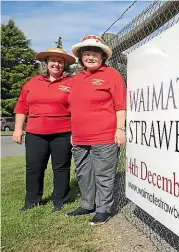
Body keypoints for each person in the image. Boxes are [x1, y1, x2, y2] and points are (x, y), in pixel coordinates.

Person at [67, 35, 127, 225]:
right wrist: (72, 133)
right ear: (81, 57)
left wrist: (120, 129)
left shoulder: (111, 75)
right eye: (86, 53)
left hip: (104, 135)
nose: (90, 57)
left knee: (103, 174)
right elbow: (74, 108)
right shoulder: (77, 78)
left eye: (95, 53)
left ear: (102, 56)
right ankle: (87, 204)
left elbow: (121, 105)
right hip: (79, 137)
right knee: (83, 173)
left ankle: (103, 209)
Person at [13, 48, 76, 212]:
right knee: (34, 167)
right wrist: (18, 129)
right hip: (35, 133)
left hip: (63, 132)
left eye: (61, 62)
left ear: (65, 65)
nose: (57, 64)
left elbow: (79, 107)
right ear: (46, 63)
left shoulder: (71, 83)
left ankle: (60, 200)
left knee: (61, 167)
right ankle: (32, 201)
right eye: (53, 61)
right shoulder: (32, 83)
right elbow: (22, 106)